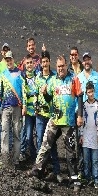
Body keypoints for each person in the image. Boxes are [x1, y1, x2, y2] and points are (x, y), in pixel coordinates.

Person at [30, 55, 83, 192]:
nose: (60, 68)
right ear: (56, 66)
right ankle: (37, 170)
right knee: (45, 144)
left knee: (70, 150)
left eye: (62, 66)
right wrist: (45, 93)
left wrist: (80, 115)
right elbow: (48, 99)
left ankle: (74, 179)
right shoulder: (53, 80)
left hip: (69, 120)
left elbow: (80, 97)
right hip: (54, 118)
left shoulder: (74, 79)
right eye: (58, 66)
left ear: (66, 65)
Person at [34, 50, 62, 181]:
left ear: (50, 62)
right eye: (43, 62)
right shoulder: (38, 77)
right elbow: (35, 94)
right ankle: (42, 169)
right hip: (40, 115)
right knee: (41, 142)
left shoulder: (55, 77)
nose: (45, 64)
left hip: (52, 115)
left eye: (46, 61)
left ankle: (56, 170)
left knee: (52, 144)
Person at [0, 51, 25, 165]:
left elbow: (24, 91)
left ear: (14, 60)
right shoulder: (3, 74)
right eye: (7, 60)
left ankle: (16, 159)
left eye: (10, 59)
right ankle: (4, 159)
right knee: (4, 132)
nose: (9, 62)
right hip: (5, 107)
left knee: (17, 133)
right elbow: (0, 92)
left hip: (17, 108)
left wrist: (23, 106)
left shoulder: (20, 73)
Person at [79, 81, 98, 188]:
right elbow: (82, 122)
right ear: (86, 93)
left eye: (92, 92)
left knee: (95, 160)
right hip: (86, 135)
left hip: (96, 136)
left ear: (94, 92)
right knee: (86, 160)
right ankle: (88, 178)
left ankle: (96, 179)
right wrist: (81, 135)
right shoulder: (84, 106)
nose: (91, 94)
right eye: (89, 92)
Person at [19, 54, 37, 162]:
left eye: (31, 62)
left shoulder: (37, 76)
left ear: (34, 64)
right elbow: (24, 93)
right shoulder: (23, 77)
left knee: (39, 135)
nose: (29, 65)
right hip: (28, 111)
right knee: (28, 135)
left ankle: (38, 156)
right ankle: (30, 152)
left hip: (38, 110)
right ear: (25, 64)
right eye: (28, 63)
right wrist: (24, 106)